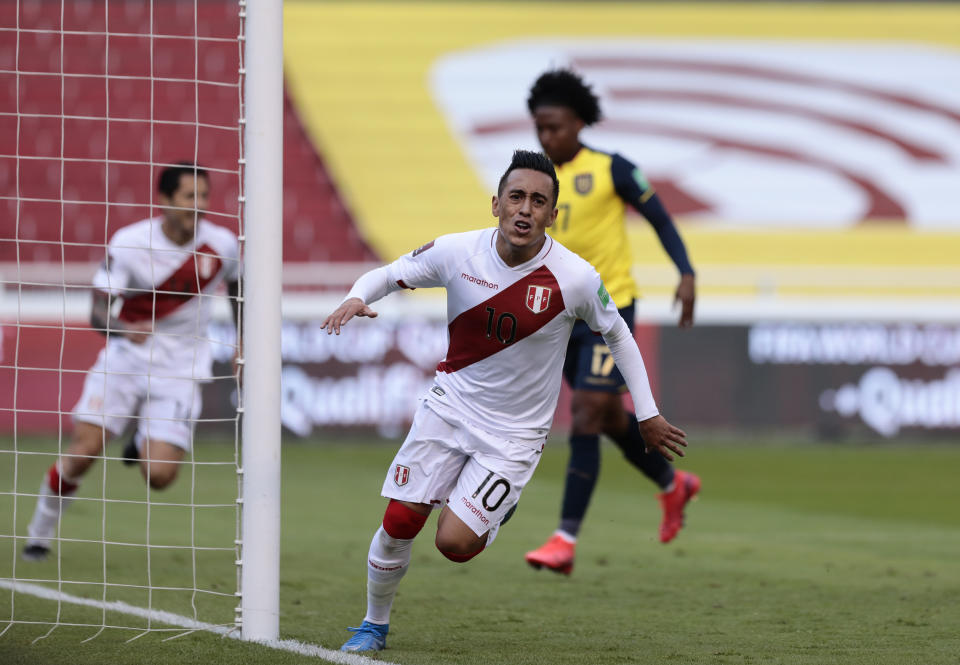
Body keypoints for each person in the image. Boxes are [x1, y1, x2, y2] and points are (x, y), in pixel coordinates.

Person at [322, 150, 688, 653]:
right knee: (402, 519)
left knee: (454, 545)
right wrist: (355, 296)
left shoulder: (575, 277)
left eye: (539, 201)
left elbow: (619, 336)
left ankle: (495, 513)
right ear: (495, 204)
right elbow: (389, 274)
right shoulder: (457, 253)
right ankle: (373, 625)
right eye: (516, 197)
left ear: (552, 216)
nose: (526, 209)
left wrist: (647, 413)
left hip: (514, 436)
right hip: (449, 407)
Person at [523, 69, 700, 576]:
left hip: (610, 310)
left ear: (578, 123)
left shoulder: (614, 169)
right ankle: (673, 484)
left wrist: (686, 272)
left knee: (586, 412)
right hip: (556, 318)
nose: (546, 137)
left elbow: (662, 219)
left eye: (554, 127)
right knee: (605, 416)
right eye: (539, 128)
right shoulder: (536, 184)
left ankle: (564, 539)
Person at [22, 163, 240, 562]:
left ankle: (141, 441)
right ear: (166, 200)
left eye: (204, 196)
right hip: (126, 361)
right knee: (84, 451)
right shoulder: (129, 242)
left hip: (180, 370)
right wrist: (124, 329)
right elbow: (97, 314)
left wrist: (243, 339)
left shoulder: (222, 244)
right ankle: (39, 532)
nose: (200, 205)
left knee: (159, 478)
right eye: (190, 197)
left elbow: (240, 290)